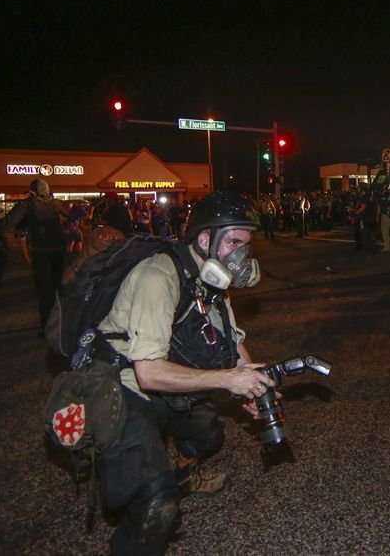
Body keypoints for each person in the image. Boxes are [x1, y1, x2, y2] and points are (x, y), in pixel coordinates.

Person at [91, 191, 274, 555]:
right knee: (155, 504)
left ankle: (185, 475)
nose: (241, 255)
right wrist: (228, 380)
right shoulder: (157, 277)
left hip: (171, 367)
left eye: (246, 245)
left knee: (206, 433)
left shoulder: (213, 280)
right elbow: (148, 373)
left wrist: (251, 384)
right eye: (234, 243)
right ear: (205, 239)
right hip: (126, 383)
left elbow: (231, 340)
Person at [0, 179, 68, 331]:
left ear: (32, 192)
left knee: (44, 291)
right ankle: (61, 324)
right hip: (59, 249)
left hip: (42, 251)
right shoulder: (56, 203)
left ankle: (47, 327)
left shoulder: (27, 205)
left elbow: (6, 223)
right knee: (58, 287)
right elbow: (68, 216)